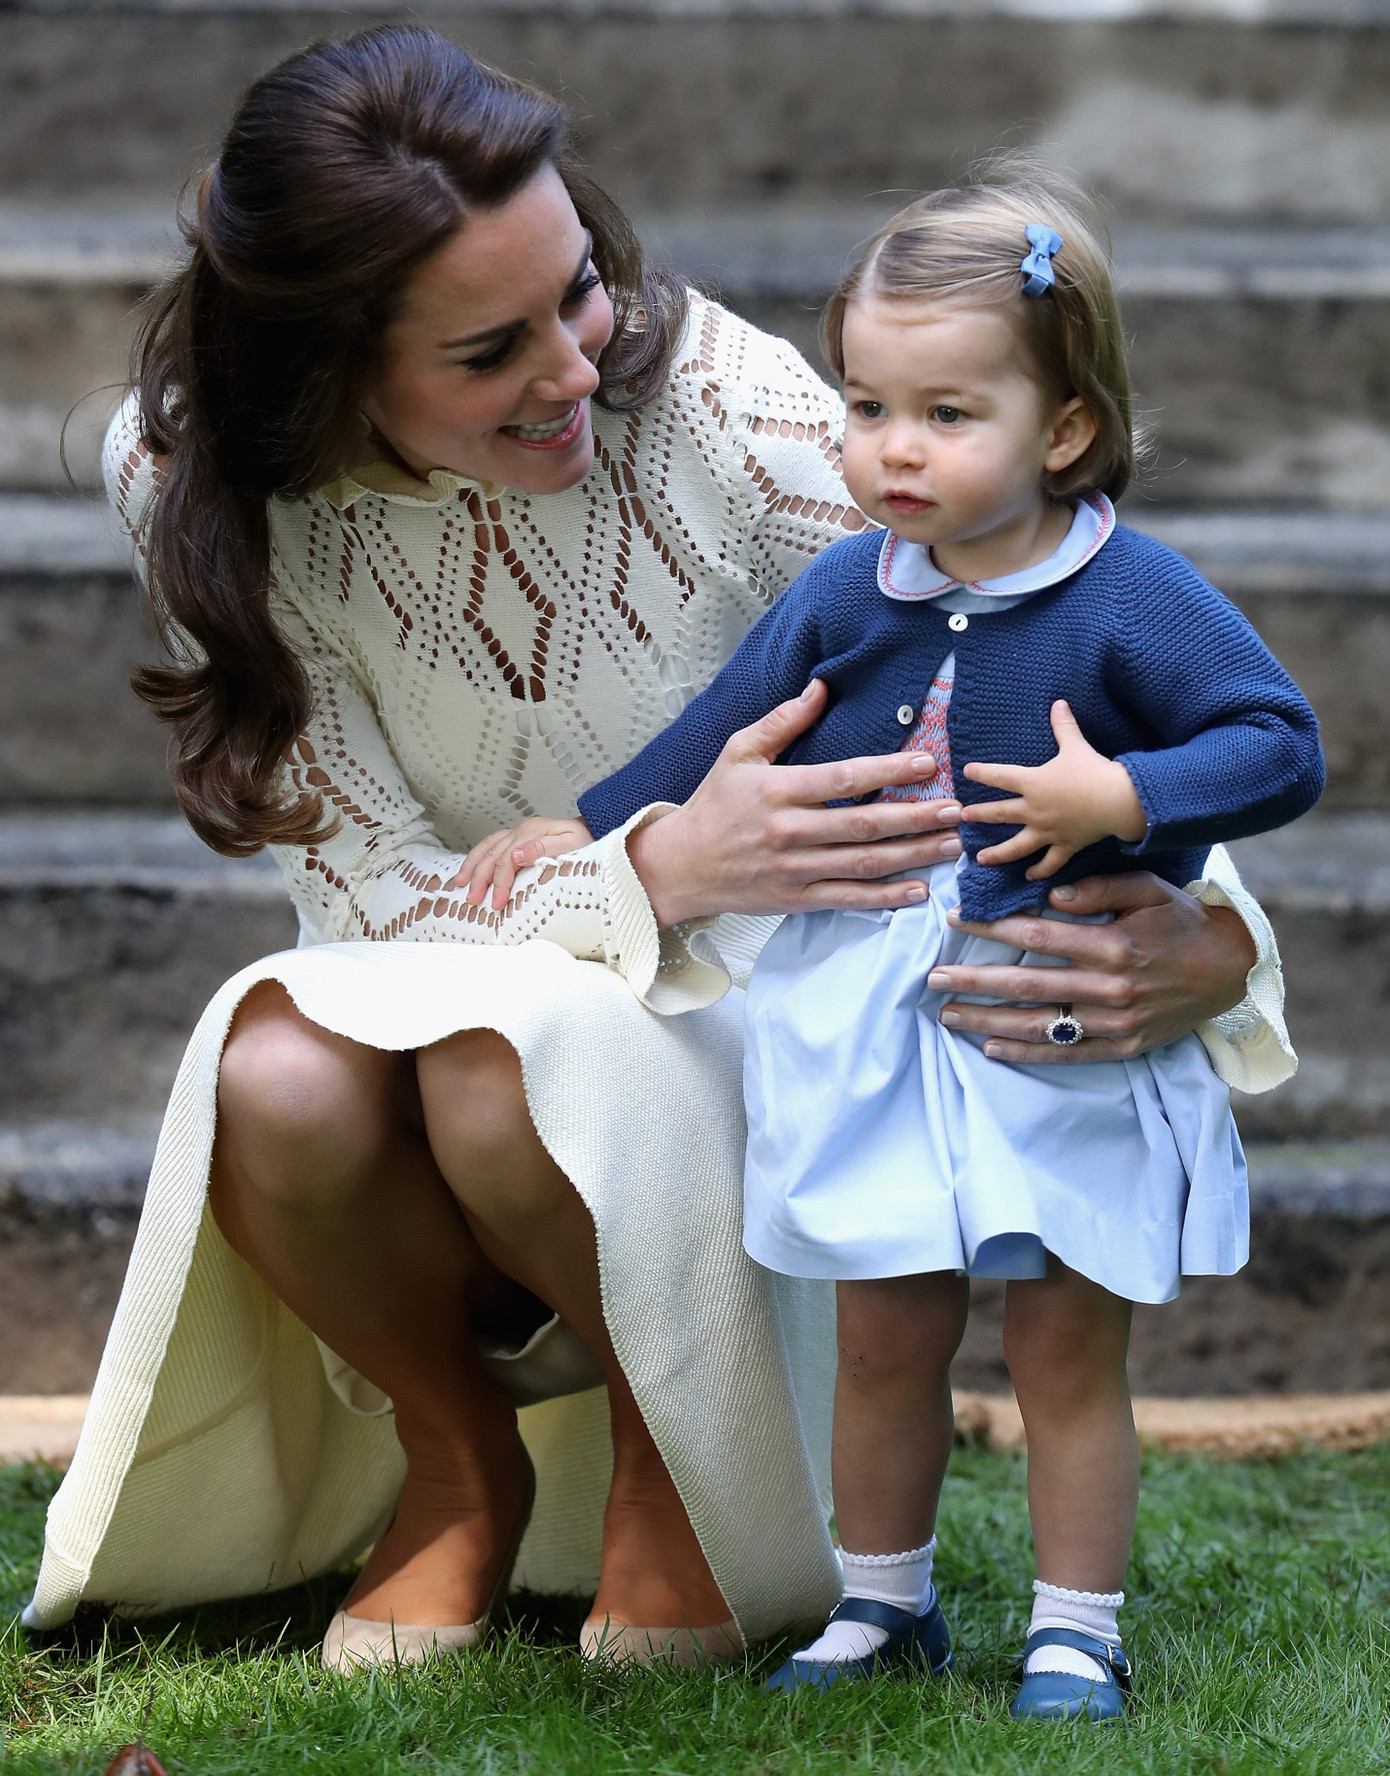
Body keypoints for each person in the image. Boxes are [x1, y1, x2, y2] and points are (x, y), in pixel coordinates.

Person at [24, 36, 1294, 1674]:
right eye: (491, 348)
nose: (574, 362)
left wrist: (1215, 939)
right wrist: (654, 868)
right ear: (320, 376)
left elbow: (1029, 644)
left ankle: (668, 1468)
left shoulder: (715, 397)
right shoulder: (186, 471)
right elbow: (370, 898)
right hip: (481, 967)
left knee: (505, 1066)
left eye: (579, 291)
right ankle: (453, 1455)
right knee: (275, 1063)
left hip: (759, 1015)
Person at [577, 162, 1322, 1715]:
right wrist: (594, 835)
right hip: (868, 1016)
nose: (890, 449)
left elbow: (1276, 742)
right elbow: (723, 734)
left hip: (1055, 1015)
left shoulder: (1129, 595)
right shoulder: (848, 588)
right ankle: (881, 1603)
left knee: (1061, 1352)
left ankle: (1073, 1626)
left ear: (1060, 429)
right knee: (882, 1337)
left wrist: (1124, 790)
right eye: (864, 405)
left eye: (943, 413)